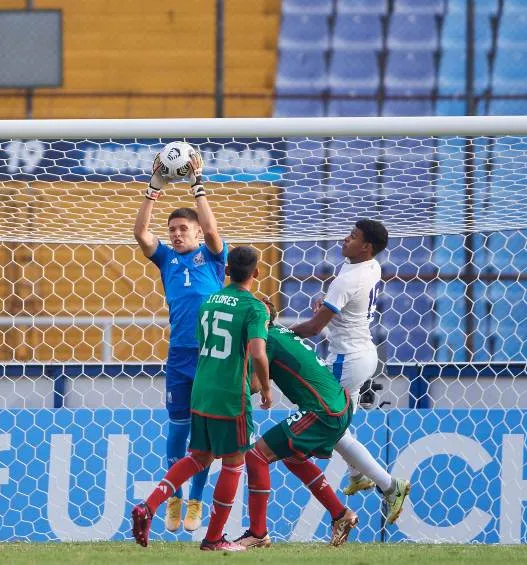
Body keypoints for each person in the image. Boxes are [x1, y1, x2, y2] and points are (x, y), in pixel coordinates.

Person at [131, 246, 271, 552]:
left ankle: (149, 506)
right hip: (230, 396)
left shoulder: (207, 303)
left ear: (226, 271)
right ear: (256, 273)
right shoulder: (255, 308)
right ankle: (213, 539)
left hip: (201, 391)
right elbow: (259, 352)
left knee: (198, 457)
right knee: (234, 464)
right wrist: (267, 389)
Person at [132, 147, 228, 532]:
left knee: (202, 435)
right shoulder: (166, 260)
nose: (175, 234)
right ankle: (173, 497)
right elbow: (141, 232)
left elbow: (213, 230)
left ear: (196, 233)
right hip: (180, 356)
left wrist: (196, 185)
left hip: (210, 356)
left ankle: (196, 503)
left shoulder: (213, 257)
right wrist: (154, 187)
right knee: (177, 431)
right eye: (171, 230)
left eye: (181, 229)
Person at [292, 219, 410, 524]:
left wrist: (275, 334)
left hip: (347, 359)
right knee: (339, 427)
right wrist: (328, 307)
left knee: (330, 426)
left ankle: (389, 485)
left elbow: (315, 328)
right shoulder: (370, 266)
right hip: (362, 354)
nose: (345, 239)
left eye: (353, 237)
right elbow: (339, 309)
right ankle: (360, 474)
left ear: (366, 247)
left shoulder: (347, 279)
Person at [234, 300, 359, 549]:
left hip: (322, 410)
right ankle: (340, 514)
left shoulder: (265, 340)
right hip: (339, 405)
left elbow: (256, 385)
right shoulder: (281, 333)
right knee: (293, 457)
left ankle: (258, 533)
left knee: (257, 456)